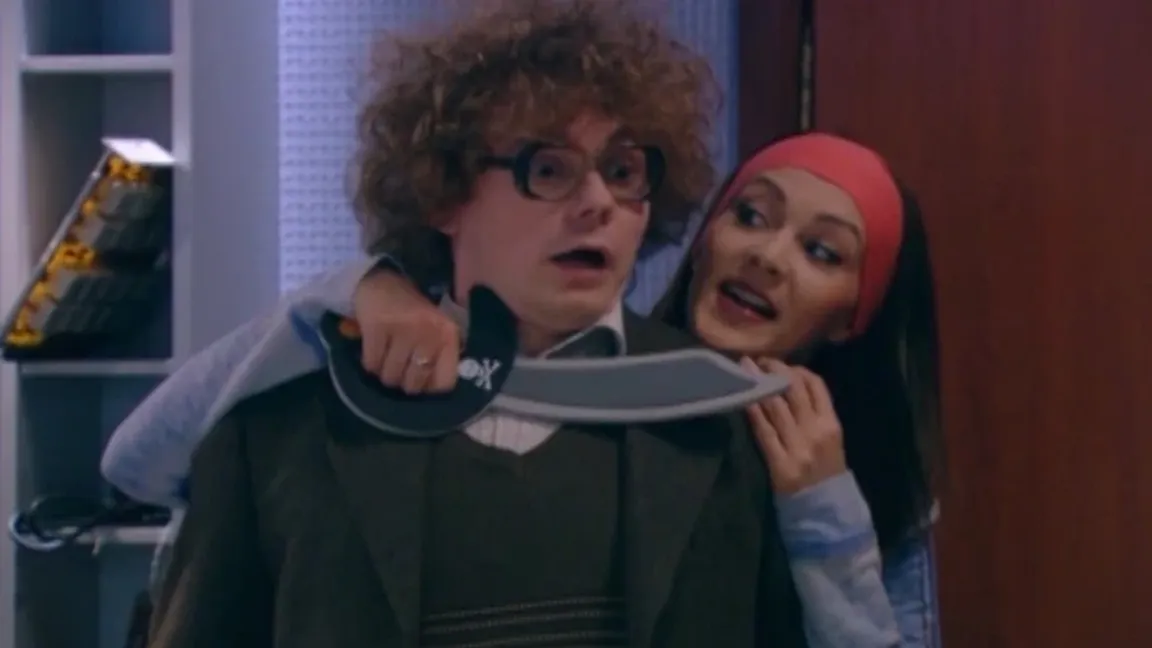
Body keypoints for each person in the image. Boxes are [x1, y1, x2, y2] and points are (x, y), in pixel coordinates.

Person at [145, 1, 811, 646]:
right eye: (548, 169)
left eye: (622, 171)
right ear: (444, 194)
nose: (597, 202)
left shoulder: (719, 416)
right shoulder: (285, 421)